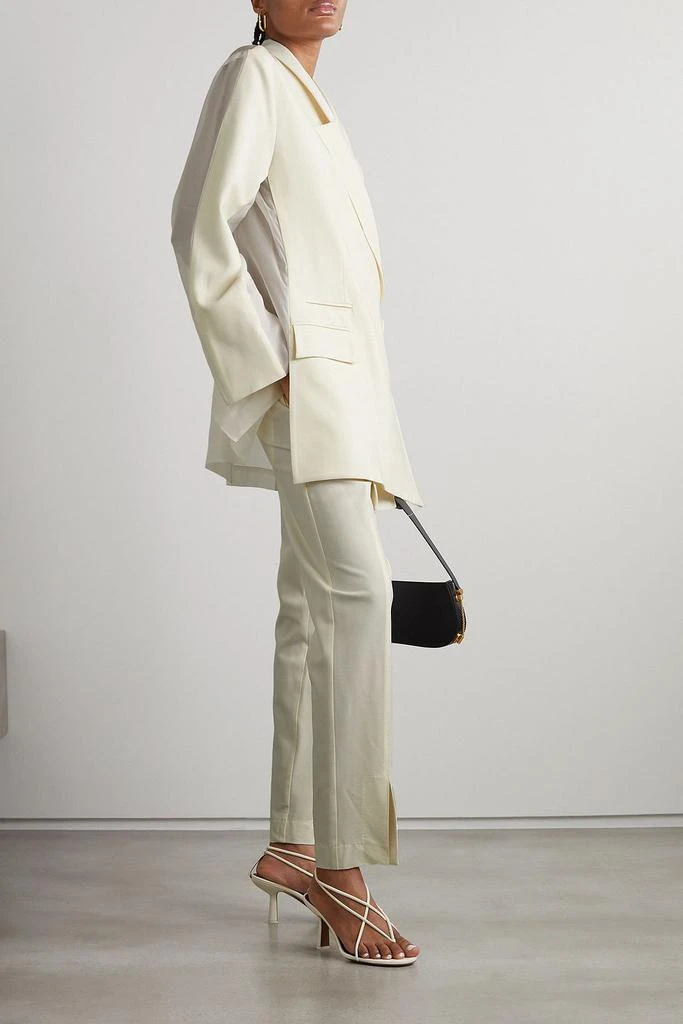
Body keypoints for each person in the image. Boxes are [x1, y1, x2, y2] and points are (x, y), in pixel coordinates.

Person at [170, 0, 422, 966]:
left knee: (312, 609)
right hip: (306, 388)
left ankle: (295, 840)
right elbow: (200, 227)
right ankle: (343, 871)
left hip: (344, 391)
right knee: (359, 595)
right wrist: (267, 366)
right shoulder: (254, 77)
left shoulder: (308, 97)